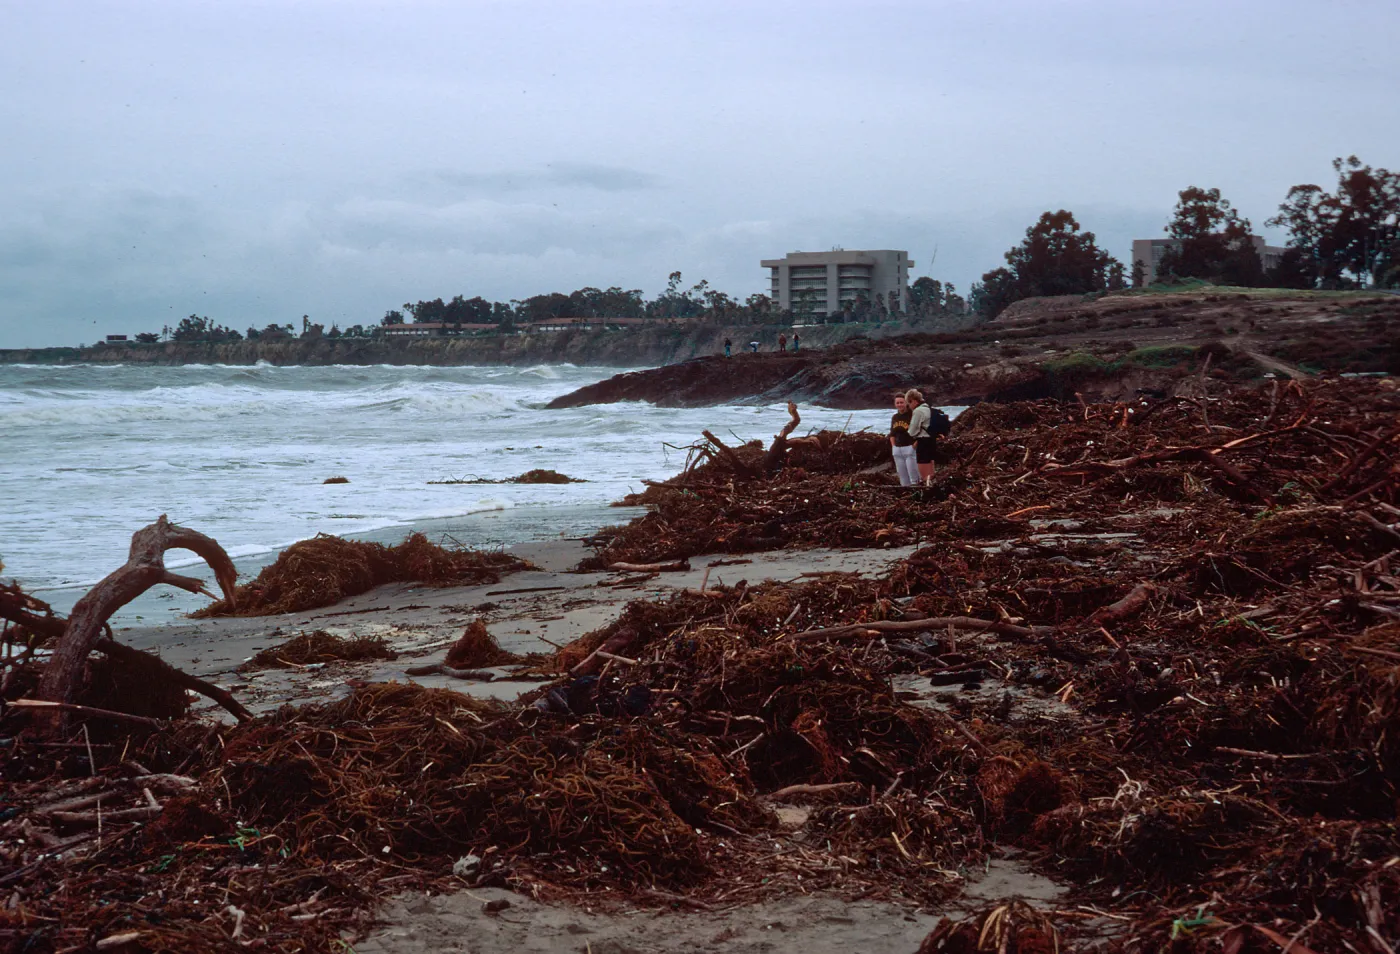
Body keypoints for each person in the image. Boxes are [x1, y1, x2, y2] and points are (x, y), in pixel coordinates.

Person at [905, 388, 936, 485]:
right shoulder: (928, 408)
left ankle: (928, 491)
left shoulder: (918, 411)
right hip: (932, 440)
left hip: (923, 442)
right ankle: (932, 487)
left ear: (914, 401)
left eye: (909, 403)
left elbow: (912, 431)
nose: (909, 406)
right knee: (931, 470)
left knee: (924, 473)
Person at [889, 392, 918, 487]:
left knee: (914, 477)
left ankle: (916, 495)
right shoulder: (895, 417)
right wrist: (893, 447)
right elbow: (892, 433)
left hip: (910, 448)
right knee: (903, 478)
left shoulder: (913, 415)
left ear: (906, 403)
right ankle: (907, 497)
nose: (899, 405)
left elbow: (921, 431)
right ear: (895, 404)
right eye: (897, 403)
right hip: (897, 449)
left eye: (901, 402)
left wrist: (914, 446)